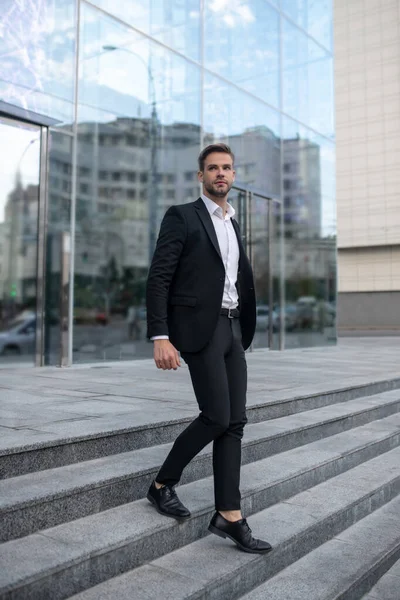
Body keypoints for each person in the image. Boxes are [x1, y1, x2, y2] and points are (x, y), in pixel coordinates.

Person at [146, 143, 272, 555]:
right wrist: (160, 335)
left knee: (234, 422)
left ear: (233, 176)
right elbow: (159, 277)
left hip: (233, 330)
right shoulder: (182, 216)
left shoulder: (233, 222)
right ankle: (162, 482)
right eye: (213, 168)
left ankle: (230, 514)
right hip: (200, 329)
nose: (221, 174)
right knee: (216, 416)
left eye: (227, 168)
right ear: (200, 176)